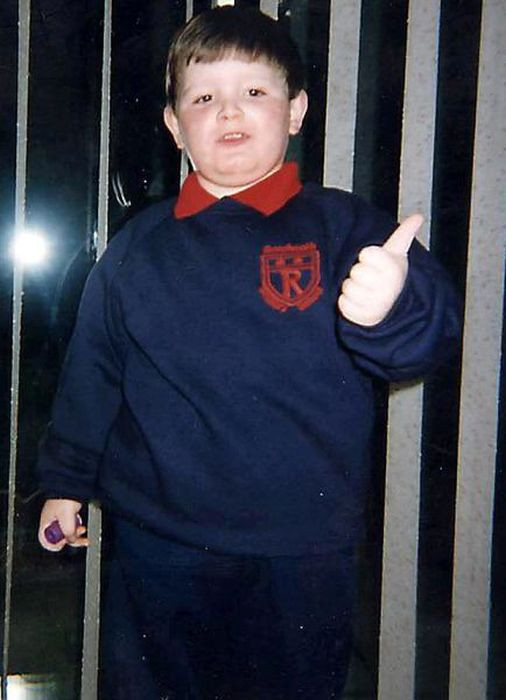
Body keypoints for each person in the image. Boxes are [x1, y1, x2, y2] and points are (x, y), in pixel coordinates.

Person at [37, 7, 460, 699]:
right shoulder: (137, 248)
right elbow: (94, 372)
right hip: (158, 539)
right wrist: (65, 482)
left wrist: (388, 310)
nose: (229, 110)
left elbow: (424, 340)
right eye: (204, 97)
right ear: (175, 126)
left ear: (296, 111)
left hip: (300, 545)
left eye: (255, 91)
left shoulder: (343, 226)